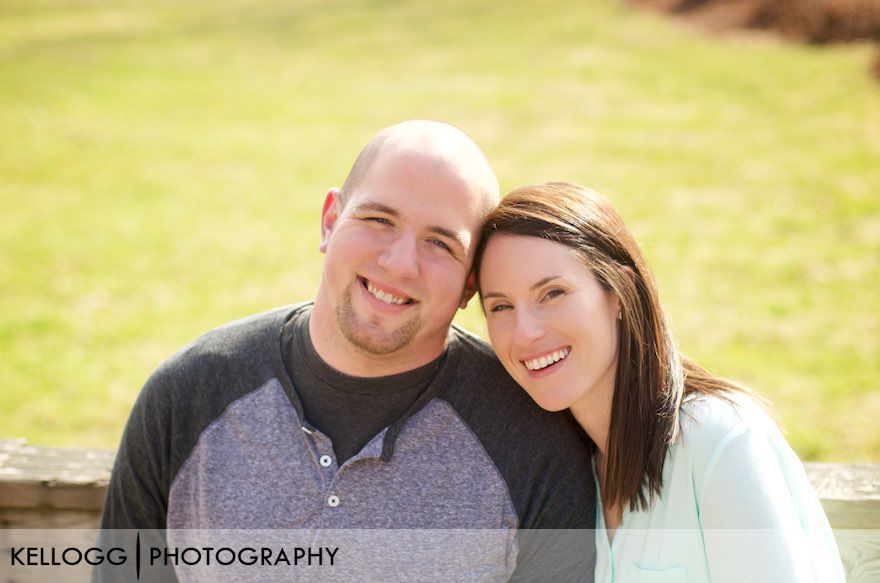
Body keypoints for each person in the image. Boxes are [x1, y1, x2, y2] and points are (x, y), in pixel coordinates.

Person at [97, 123, 596, 582]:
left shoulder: (531, 441)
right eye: (379, 219)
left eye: (440, 244)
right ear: (330, 221)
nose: (400, 264)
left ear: (470, 285)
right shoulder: (188, 395)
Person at [476, 182, 845, 583]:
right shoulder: (565, 469)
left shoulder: (720, 441)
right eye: (501, 306)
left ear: (621, 292)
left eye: (553, 293)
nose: (525, 332)